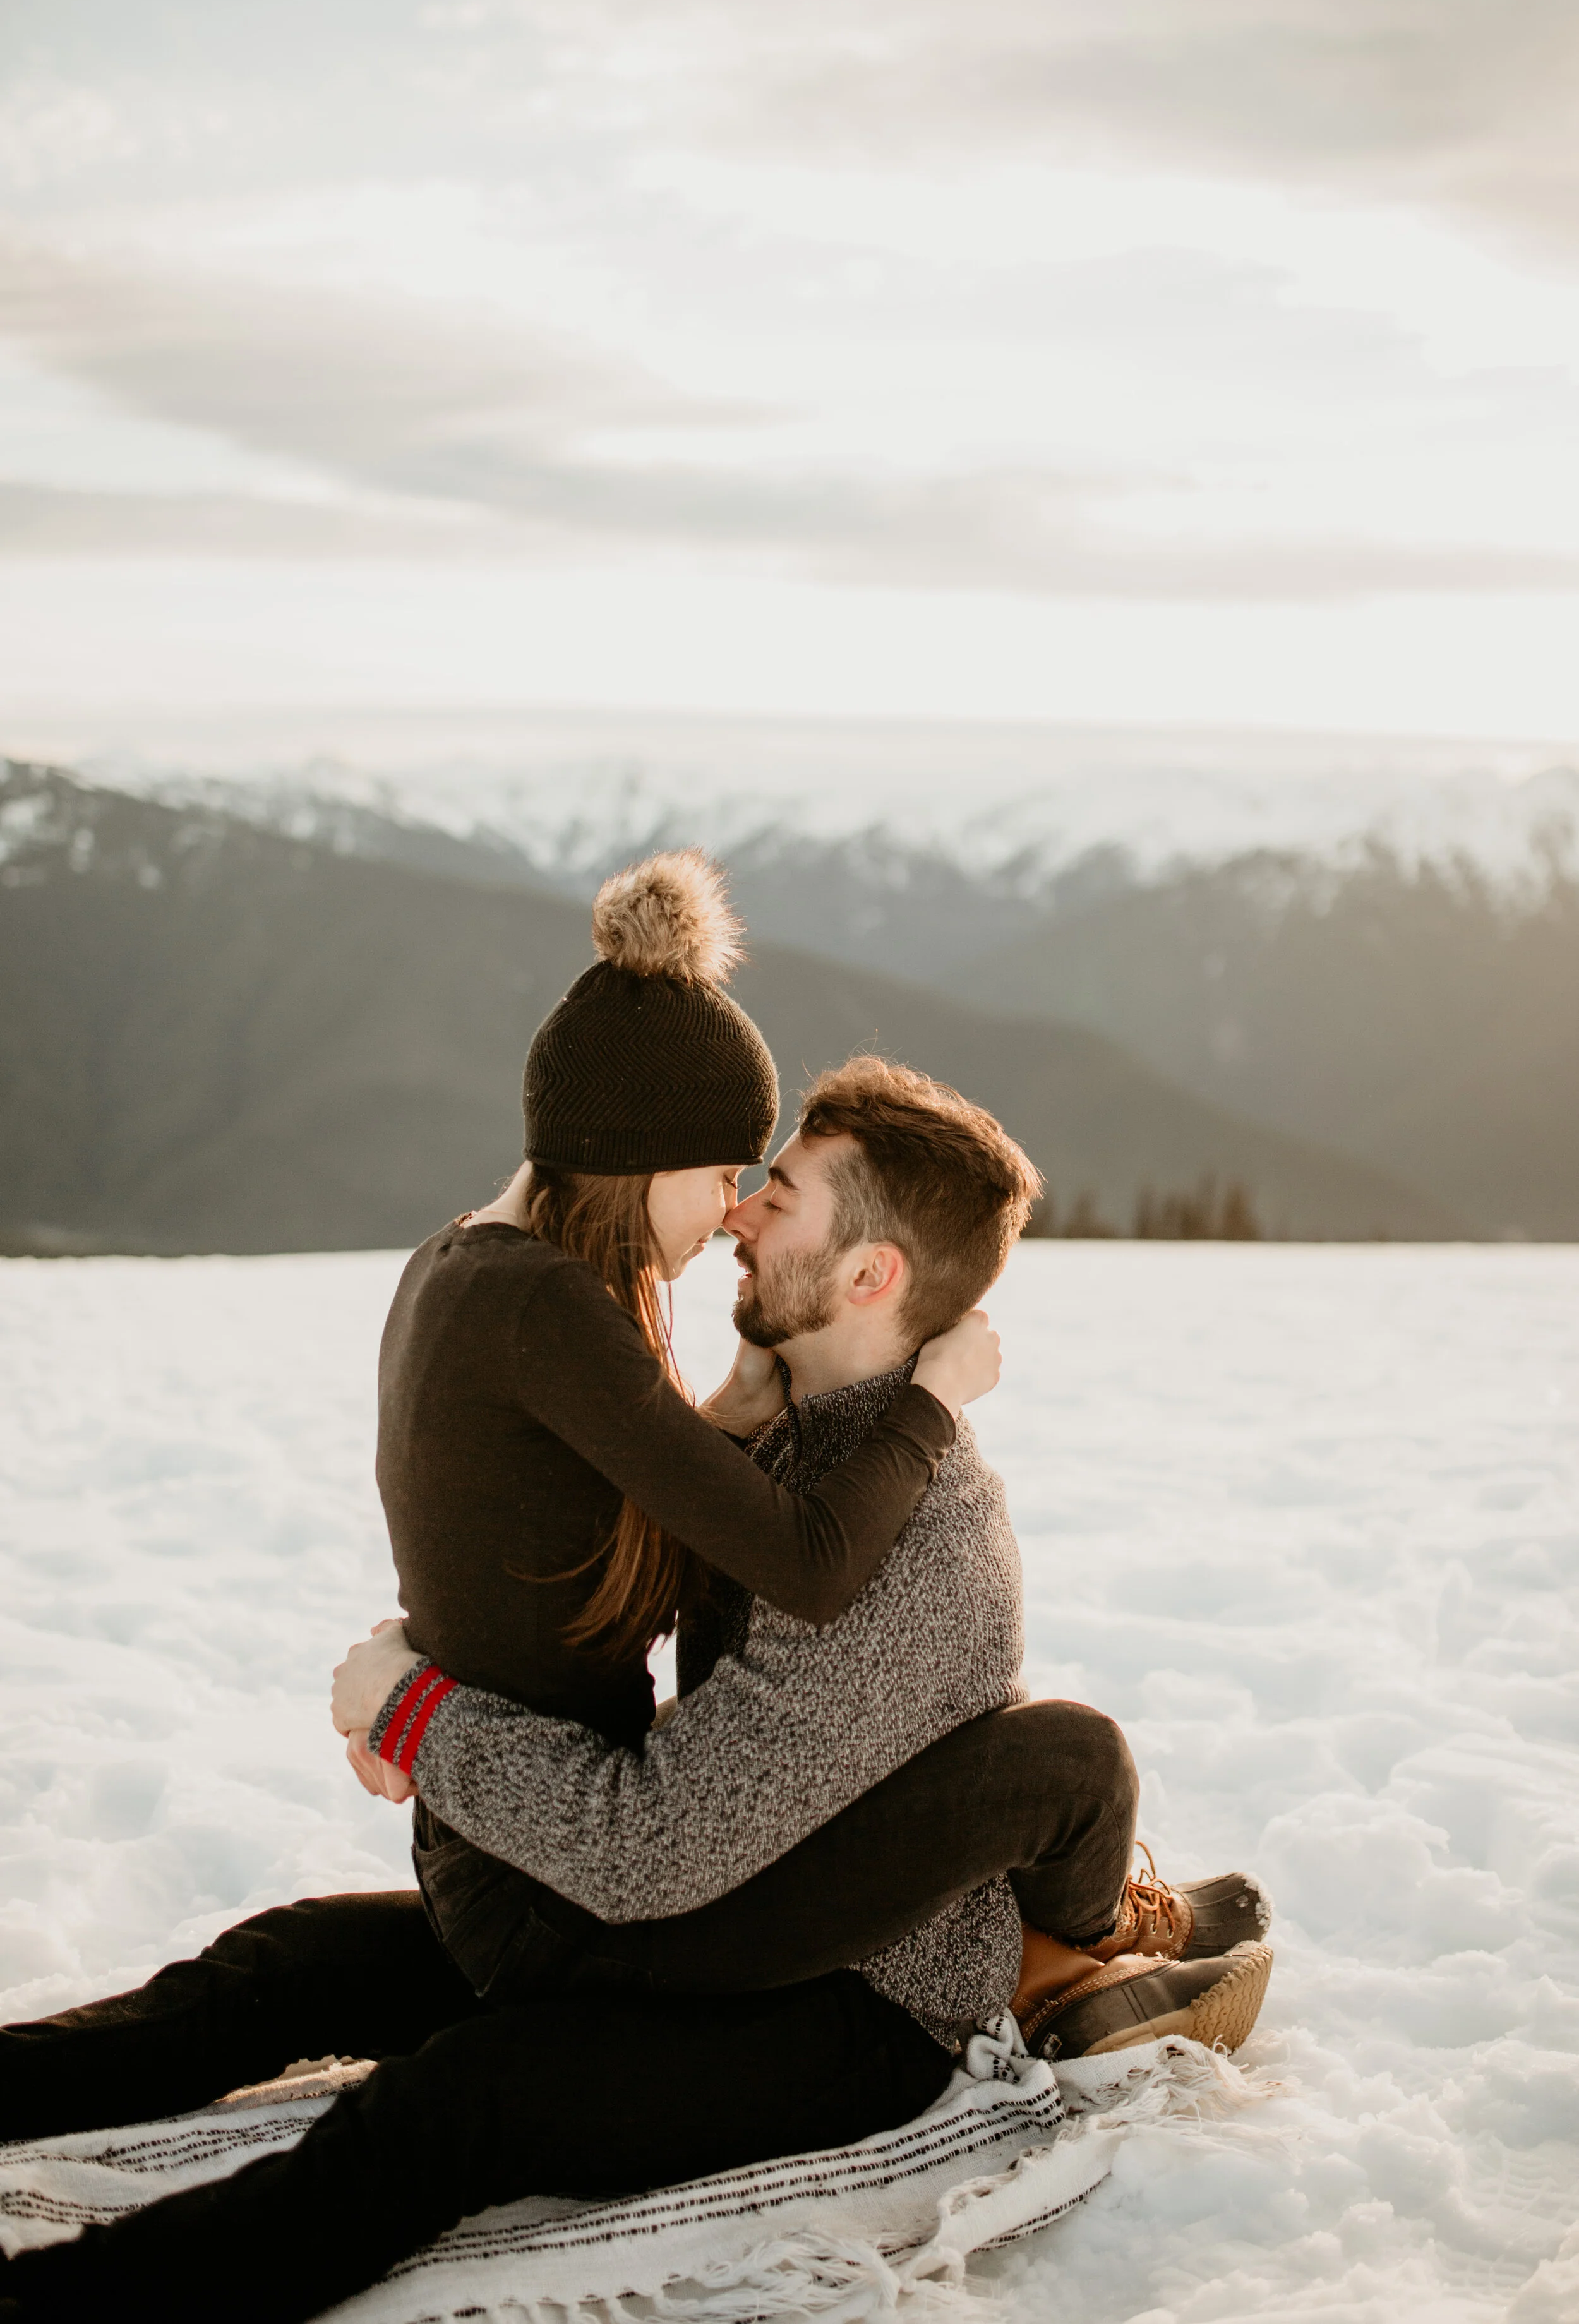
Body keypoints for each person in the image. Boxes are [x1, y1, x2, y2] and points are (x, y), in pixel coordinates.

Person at [0, 860, 1268, 2324]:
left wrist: (422, 1717)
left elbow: (650, 1852)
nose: (734, 1217)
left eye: (772, 1194)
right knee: (276, 1968)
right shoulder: (792, 1445)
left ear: (863, 1276)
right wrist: (441, 1652)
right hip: (693, 1928)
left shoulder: (896, 1549)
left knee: (461, 2103)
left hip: (831, 2010)